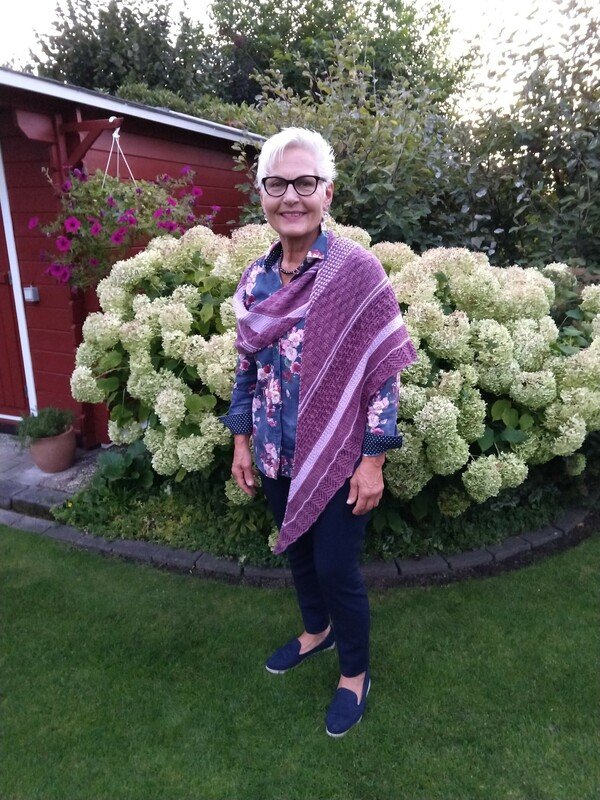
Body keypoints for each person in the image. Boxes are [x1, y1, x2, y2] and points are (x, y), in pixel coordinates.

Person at [220, 127, 417, 737]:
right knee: (299, 552)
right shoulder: (255, 280)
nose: (291, 197)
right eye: (277, 184)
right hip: (275, 450)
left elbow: (382, 375)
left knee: (336, 568)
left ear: (327, 193)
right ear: (262, 195)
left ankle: (354, 673)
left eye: (305, 183)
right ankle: (316, 631)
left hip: (339, 455)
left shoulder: (355, 271)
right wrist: (241, 441)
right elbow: (246, 367)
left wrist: (373, 460)